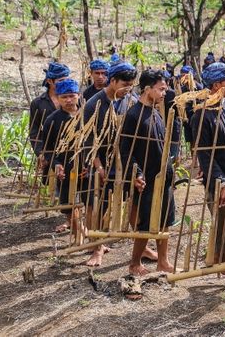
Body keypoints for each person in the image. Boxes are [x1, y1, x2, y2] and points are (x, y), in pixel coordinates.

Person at [190, 62, 225, 289]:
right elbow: (206, 158)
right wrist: (220, 182)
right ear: (216, 85)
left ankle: (220, 258)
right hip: (219, 180)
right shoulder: (201, 116)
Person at [119, 69, 175, 276]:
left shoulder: (156, 111)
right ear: (147, 89)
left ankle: (163, 261)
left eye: (165, 89)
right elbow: (125, 151)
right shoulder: (134, 116)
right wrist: (137, 174)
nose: (164, 93)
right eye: (161, 89)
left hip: (164, 176)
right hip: (147, 178)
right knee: (145, 222)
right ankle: (134, 263)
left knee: (165, 221)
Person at [83, 61, 138, 266]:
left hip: (123, 160)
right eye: (125, 84)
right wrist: (98, 166)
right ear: (112, 81)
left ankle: (142, 244)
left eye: (131, 85)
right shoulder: (93, 104)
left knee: (132, 202)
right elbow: (88, 141)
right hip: (100, 161)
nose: (128, 89)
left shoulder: (130, 101)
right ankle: (96, 248)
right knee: (97, 204)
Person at [40, 78, 82, 236]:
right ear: (58, 98)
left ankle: (86, 230)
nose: (69, 100)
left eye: (72, 95)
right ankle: (79, 230)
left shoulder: (89, 114)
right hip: (66, 166)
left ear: (78, 95)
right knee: (68, 200)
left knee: (90, 198)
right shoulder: (52, 121)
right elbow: (48, 150)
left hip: (87, 165)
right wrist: (56, 164)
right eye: (64, 97)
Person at [30, 61, 70, 160]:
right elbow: (34, 131)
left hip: (71, 149)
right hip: (50, 150)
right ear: (49, 81)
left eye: (67, 80)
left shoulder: (75, 100)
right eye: (60, 81)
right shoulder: (38, 103)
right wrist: (40, 153)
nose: (64, 84)